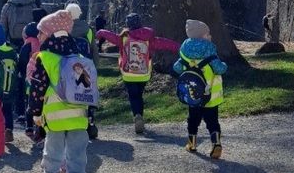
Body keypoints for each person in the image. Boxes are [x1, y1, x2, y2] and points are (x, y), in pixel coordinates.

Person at [29, 9, 90, 173]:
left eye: (41, 33)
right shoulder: (79, 57)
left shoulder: (45, 58)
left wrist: (35, 112)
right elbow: (87, 88)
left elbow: (37, 87)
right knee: (77, 155)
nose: (39, 36)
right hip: (78, 116)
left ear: (50, 34)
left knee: (53, 153)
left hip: (54, 117)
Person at [96, 12, 180, 135]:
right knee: (139, 95)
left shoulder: (123, 38)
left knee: (133, 96)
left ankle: (137, 115)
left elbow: (110, 35)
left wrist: (100, 32)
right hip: (144, 73)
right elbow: (164, 43)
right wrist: (179, 47)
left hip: (128, 73)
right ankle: (140, 115)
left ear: (128, 25)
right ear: (140, 23)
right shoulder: (148, 38)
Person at [173, 19, 228, 158]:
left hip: (194, 96)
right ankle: (216, 144)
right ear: (202, 36)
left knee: (193, 120)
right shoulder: (210, 53)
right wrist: (224, 65)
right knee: (212, 121)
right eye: (208, 34)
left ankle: (192, 143)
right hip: (210, 96)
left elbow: (176, 68)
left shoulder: (184, 55)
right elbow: (220, 69)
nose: (210, 36)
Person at [68, 2, 100, 139]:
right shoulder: (88, 30)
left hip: (69, 67)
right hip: (86, 67)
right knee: (88, 94)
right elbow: (94, 50)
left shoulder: (65, 29)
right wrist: (95, 67)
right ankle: (90, 123)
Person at [15, 20, 40, 127]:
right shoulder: (40, 42)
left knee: (28, 97)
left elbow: (23, 60)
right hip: (40, 74)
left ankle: (28, 121)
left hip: (29, 75)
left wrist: (20, 71)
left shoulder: (28, 44)